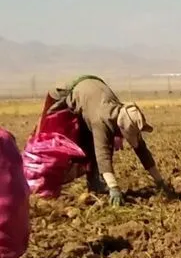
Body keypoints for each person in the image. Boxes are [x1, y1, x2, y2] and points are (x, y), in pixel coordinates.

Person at [46, 75, 168, 205]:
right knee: (55, 145)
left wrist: (160, 182)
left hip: (89, 96)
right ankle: (47, 189)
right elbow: (102, 155)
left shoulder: (124, 114)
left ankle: (95, 186)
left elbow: (141, 150)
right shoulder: (101, 121)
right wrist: (114, 187)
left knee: (92, 145)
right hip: (64, 93)